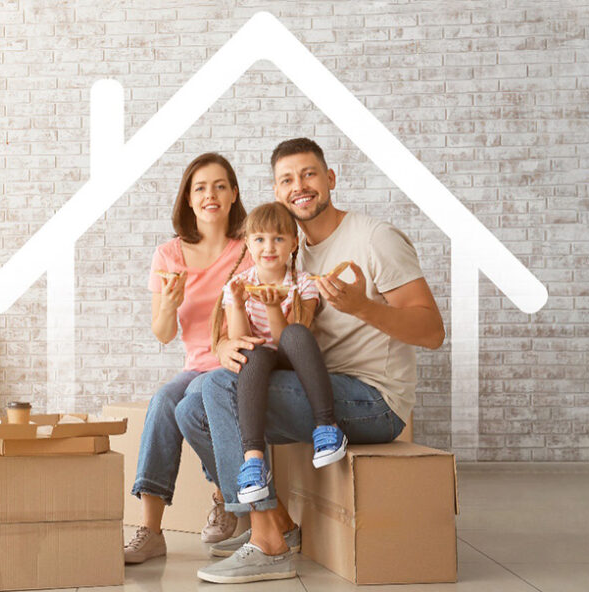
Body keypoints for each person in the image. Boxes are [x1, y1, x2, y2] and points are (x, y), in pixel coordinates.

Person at [176, 138, 445, 584]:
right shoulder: (286, 249)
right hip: (316, 382)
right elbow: (245, 319)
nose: (299, 186)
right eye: (287, 180)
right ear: (277, 194)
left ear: (330, 179)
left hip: (372, 400)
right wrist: (225, 345)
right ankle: (277, 521)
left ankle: (266, 545)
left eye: (309, 174)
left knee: (216, 388)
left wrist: (363, 307)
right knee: (189, 408)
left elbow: (432, 332)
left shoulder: (374, 238)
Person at [124, 152, 254, 564]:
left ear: (234, 194)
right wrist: (169, 304)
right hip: (195, 366)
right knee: (165, 400)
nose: (209, 194)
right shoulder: (169, 256)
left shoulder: (250, 250)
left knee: (195, 397)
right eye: (200, 187)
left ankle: (222, 496)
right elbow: (163, 333)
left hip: (235, 365)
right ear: (188, 198)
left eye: (219, 185)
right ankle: (150, 530)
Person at [213, 202, 347, 508]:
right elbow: (239, 339)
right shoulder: (238, 284)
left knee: (296, 332)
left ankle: (327, 427)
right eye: (259, 239)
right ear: (247, 243)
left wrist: (274, 308)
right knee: (253, 354)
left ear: (293, 243)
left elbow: (289, 336)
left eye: (278, 239)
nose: (268, 247)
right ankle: (254, 461)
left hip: (292, 356)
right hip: (261, 362)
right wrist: (234, 302)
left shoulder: (304, 284)